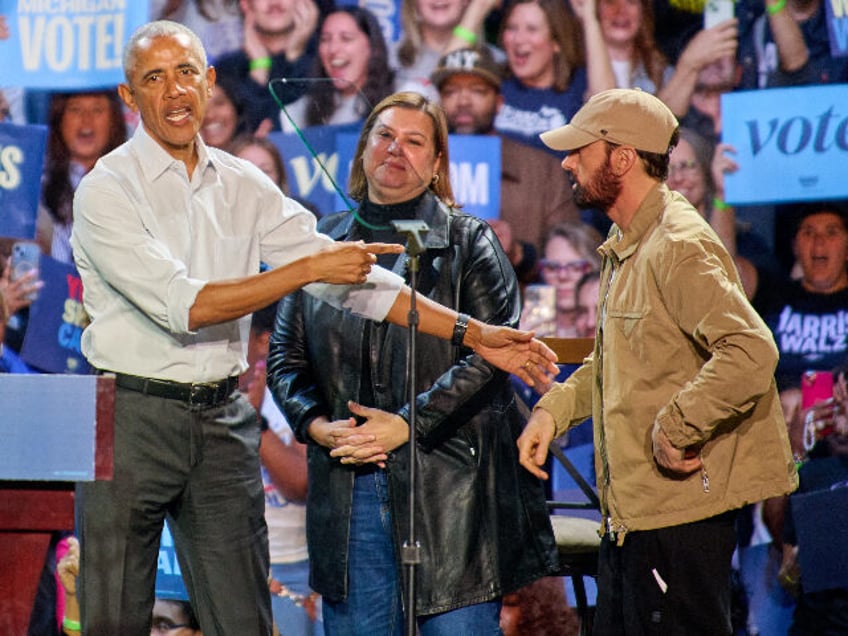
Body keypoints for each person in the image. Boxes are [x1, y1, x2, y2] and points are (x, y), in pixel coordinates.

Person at [69, 21, 557, 635]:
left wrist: (473, 333)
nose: (174, 90)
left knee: (243, 620)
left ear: (210, 80)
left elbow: (355, 281)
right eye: (154, 77)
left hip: (221, 423)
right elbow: (184, 305)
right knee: (113, 615)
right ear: (128, 95)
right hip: (131, 416)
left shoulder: (244, 182)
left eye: (186, 72)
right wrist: (305, 269)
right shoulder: (105, 190)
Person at [266, 91, 560, 634]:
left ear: (438, 163)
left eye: (414, 140)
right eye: (384, 136)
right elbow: (285, 358)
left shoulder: (470, 242)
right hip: (349, 481)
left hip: (452, 495)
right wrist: (316, 425)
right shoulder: (322, 243)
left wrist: (407, 424)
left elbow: (492, 357)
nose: (395, 149)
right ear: (361, 152)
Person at [517, 87, 798, 634]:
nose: (567, 162)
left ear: (622, 157)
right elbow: (612, 361)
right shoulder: (627, 244)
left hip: (680, 520)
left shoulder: (678, 242)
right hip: (635, 518)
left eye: (580, 150)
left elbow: (750, 349)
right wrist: (551, 412)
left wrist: (677, 425)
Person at [431, 45, 579, 265]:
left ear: (499, 102)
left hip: (516, 293)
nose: (463, 101)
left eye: (477, 91)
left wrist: (519, 252)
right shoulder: (419, 163)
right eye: (451, 92)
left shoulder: (543, 170)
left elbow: (572, 254)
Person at [493, 0, 615, 154]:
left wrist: (589, 19)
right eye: (511, 28)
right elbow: (453, 71)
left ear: (556, 42)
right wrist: (479, 8)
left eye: (532, 29)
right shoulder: (494, 83)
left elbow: (608, 107)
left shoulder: (575, 87)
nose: (518, 39)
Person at [36, 90, 127, 263]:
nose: (86, 120)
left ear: (113, 120)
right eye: (75, 109)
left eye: (97, 110)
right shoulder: (35, 185)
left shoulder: (137, 181)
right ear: (59, 117)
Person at [280, 6, 394, 131]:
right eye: (325, 39)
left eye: (346, 38)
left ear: (371, 47)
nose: (333, 49)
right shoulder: (303, 111)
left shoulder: (400, 98)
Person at [213, 0, 320, 132]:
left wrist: (296, 57)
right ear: (245, 4)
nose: (275, 3)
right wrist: (259, 69)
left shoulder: (325, 55)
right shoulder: (227, 70)